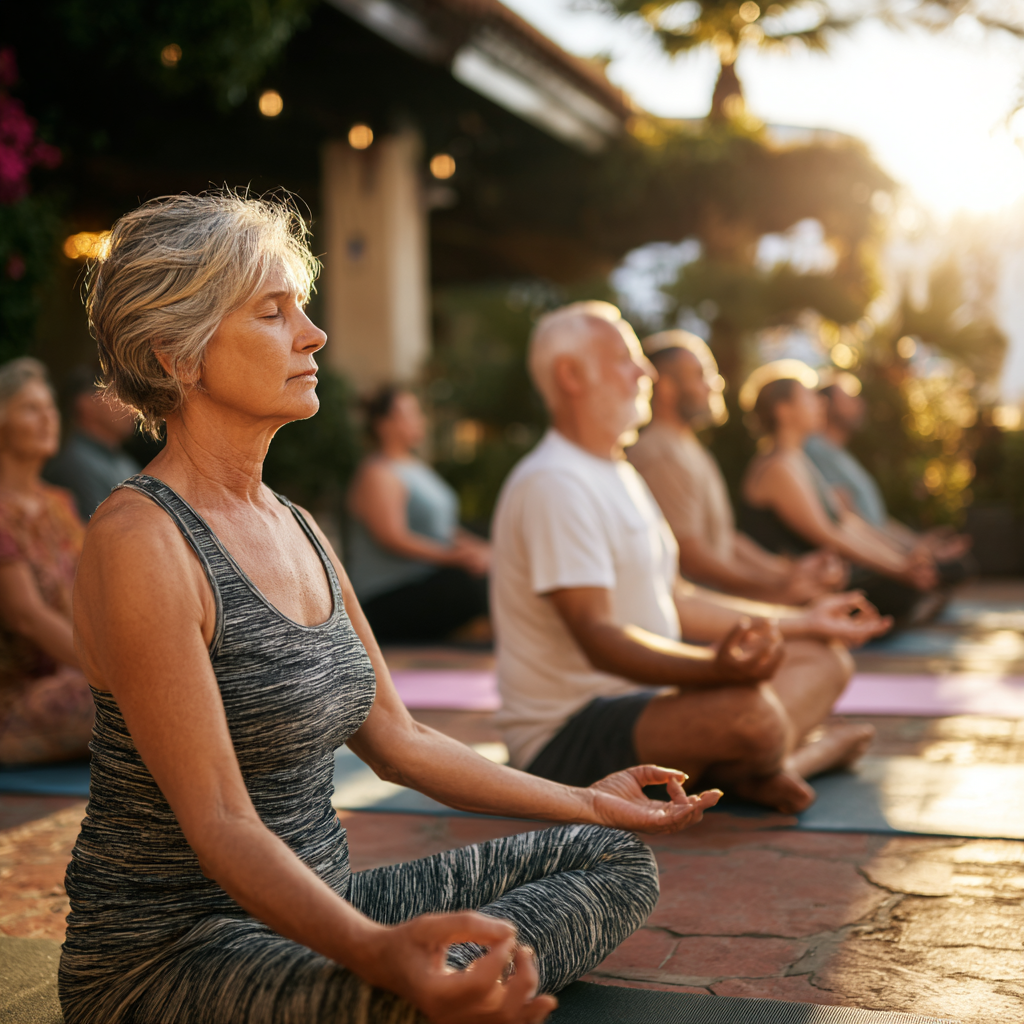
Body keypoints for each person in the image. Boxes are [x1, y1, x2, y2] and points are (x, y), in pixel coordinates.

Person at [59, 191, 723, 1024]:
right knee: (412, 988)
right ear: (177, 354)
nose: (314, 334)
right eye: (274, 313)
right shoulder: (142, 544)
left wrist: (592, 798)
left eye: (300, 307)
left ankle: (441, 986)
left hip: (320, 909)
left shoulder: (297, 525)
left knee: (613, 857)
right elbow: (223, 823)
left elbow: (400, 742)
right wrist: (375, 953)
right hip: (173, 958)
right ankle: (430, 988)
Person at [492, 302, 888, 821]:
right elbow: (597, 636)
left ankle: (757, 767)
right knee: (748, 715)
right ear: (570, 375)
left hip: (647, 705)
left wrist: (803, 621)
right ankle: (792, 758)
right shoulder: (553, 482)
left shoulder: (619, 473)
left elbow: (677, 597)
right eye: (625, 358)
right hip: (568, 736)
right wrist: (714, 669)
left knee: (823, 656)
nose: (646, 373)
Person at [628, 330, 846, 604]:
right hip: (699, 610)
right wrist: (778, 586)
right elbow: (693, 560)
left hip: (717, 601)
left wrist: (789, 571)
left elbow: (725, 540)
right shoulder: (660, 454)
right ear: (666, 387)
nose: (715, 383)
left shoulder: (690, 449)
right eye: (700, 375)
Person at [738, 364, 938, 623]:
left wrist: (903, 561)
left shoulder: (798, 460)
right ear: (783, 410)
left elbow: (846, 522)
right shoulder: (778, 467)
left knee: (917, 582)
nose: (820, 403)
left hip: (822, 578)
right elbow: (828, 534)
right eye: (809, 397)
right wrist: (899, 570)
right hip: (789, 587)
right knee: (902, 590)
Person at [0, 358, 93, 764]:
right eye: (30, 408)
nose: (47, 418)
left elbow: (88, 597)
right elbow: (27, 617)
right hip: (14, 694)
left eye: (51, 407)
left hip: (71, 673)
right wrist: (105, 669)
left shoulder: (60, 503)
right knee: (142, 696)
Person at [346, 387, 490, 643]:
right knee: (472, 583)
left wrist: (480, 550)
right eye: (410, 414)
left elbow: (443, 528)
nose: (420, 420)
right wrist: (454, 558)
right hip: (387, 596)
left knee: (495, 567)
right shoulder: (378, 473)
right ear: (384, 424)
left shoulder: (416, 467)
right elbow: (392, 537)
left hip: (425, 583)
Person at [806, 372, 972, 585]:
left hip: (881, 549)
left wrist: (918, 544)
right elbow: (850, 521)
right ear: (826, 405)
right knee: (952, 569)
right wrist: (902, 560)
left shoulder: (841, 455)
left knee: (956, 565)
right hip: (865, 557)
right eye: (850, 398)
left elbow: (878, 520)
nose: (860, 404)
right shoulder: (817, 451)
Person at [44, 365, 141, 520]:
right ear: (85, 403)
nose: (132, 406)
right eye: (118, 395)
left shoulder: (125, 462)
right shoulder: (73, 463)